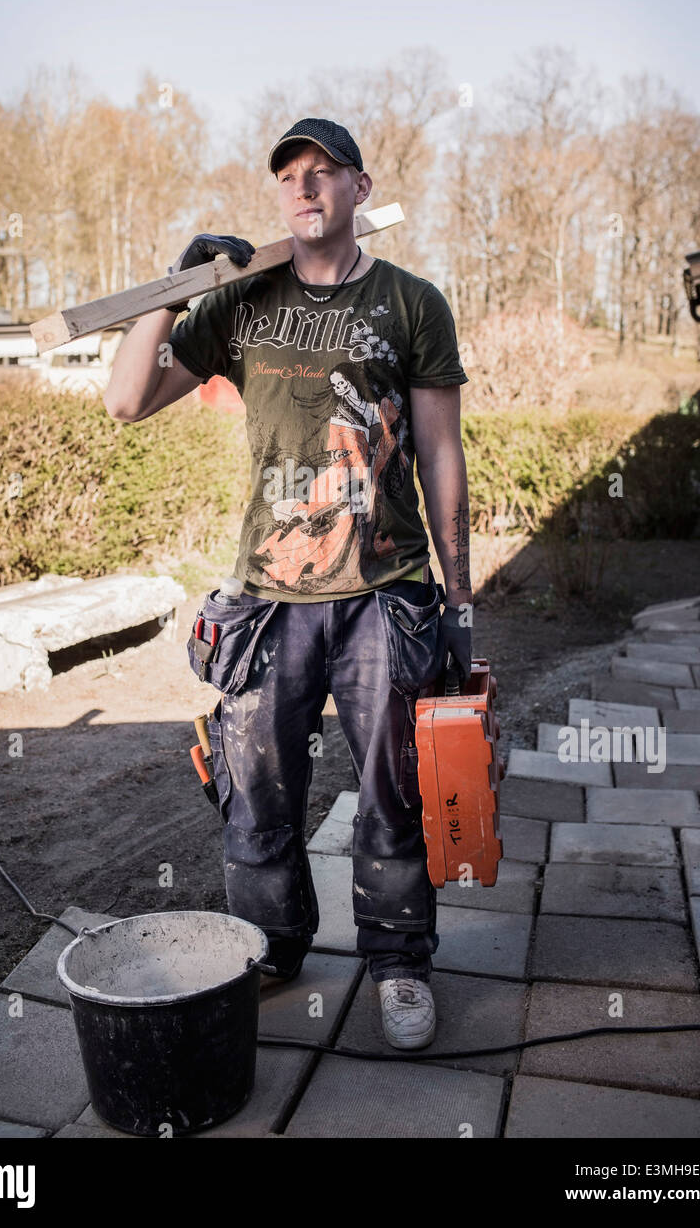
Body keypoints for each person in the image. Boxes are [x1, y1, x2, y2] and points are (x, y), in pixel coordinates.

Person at [104, 117, 473, 1050]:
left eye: (323, 173)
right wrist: (176, 286)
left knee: (394, 792)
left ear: (359, 187)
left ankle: (398, 965)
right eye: (289, 178)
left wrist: (459, 601)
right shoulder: (243, 303)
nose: (304, 188)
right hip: (265, 603)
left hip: (384, 594)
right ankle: (272, 951)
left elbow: (440, 452)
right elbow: (127, 399)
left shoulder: (412, 302)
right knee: (257, 795)